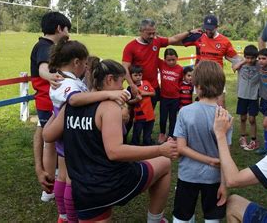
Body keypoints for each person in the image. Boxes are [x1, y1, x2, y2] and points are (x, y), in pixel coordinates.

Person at [43, 59, 178, 222]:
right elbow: (115, 152)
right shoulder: (109, 107)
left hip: (82, 188)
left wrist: (54, 110)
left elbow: (47, 135)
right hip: (111, 183)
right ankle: (155, 220)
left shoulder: (70, 104)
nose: (122, 88)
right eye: (121, 82)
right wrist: (160, 149)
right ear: (109, 79)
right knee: (164, 162)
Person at [48, 41, 130, 222]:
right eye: (85, 63)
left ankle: (64, 216)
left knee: (63, 176)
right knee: (71, 180)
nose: (86, 68)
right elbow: (75, 101)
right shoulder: (67, 82)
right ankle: (69, 217)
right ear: (76, 62)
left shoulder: (61, 79)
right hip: (71, 134)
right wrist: (109, 94)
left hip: (66, 132)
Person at [172, 61, 232, 223]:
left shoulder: (185, 112)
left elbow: (181, 148)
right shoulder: (226, 117)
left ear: (197, 86)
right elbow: (225, 157)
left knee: (182, 216)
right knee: (212, 217)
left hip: (187, 175)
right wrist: (224, 185)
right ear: (221, 87)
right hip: (214, 179)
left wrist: (208, 161)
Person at [30, 11, 70, 202]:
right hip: (48, 102)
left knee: (48, 141)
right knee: (51, 144)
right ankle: (49, 188)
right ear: (58, 28)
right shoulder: (45, 47)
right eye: (66, 30)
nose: (67, 34)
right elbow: (42, 68)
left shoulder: (44, 46)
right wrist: (51, 77)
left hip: (45, 101)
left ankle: (50, 183)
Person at [122, 18, 198, 108]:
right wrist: (132, 85)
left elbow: (173, 39)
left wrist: (189, 32)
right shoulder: (131, 47)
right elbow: (124, 67)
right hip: (138, 86)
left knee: (150, 112)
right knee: (135, 114)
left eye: (153, 33)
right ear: (141, 31)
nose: (151, 36)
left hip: (153, 87)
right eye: (149, 33)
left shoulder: (156, 41)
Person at [182, 15, 243, 107]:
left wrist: (248, 60)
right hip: (201, 76)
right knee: (200, 106)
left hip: (217, 78)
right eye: (206, 28)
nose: (208, 31)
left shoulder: (224, 41)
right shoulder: (198, 36)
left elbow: (235, 58)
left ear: (216, 27)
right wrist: (189, 32)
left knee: (220, 106)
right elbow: (176, 41)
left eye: (211, 29)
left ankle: (220, 121)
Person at [232, 45, 260, 151]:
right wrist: (243, 62)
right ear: (244, 56)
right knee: (243, 118)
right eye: (247, 57)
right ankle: (242, 137)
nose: (250, 60)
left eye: (252, 58)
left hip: (253, 96)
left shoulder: (258, 65)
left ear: (256, 57)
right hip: (242, 95)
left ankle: (254, 139)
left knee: (252, 119)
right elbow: (234, 68)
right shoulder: (241, 64)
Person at [157, 48, 184, 143]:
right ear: (164, 59)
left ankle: (171, 135)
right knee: (163, 118)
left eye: (173, 59)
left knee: (173, 118)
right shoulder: (161, 64)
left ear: (177, 58)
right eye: (168, 60)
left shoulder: (180, 69)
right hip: (164, 97)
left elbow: (181, 80)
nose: (171, 62)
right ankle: (162, 133)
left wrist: (178, 88)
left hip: (175, 98)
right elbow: (152, 55)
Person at [127, 66, 156, 146]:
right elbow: (128, 102)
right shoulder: (130, 88)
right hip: (139, 115)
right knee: (137, 132)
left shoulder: (146, 83)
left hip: (150, 114)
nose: (138, 77)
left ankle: (147, 142)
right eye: (135, 75)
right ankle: (134, 145)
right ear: (131, 76)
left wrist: (144, 93)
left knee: (148, 132)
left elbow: (153, 93)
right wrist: (136, 100)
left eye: (140, 75)